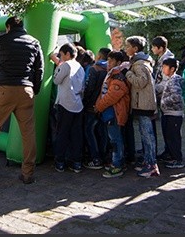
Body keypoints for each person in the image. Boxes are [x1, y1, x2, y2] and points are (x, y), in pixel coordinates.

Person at [0, 16, 44, 185]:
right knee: (28, 134)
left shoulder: (2, 40)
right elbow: (39, 69)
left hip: (4, 90)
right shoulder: (35, 42)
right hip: (26, 90)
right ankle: (28, 173)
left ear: (8, 27)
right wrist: (34, 90)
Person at [124, 35, 160, 178]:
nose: (126, 49)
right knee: (146, 135)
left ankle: (151, 165)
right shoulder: (139, 62)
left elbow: (140, 82)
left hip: (144, 105)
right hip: (143, 104)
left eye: (128, 46)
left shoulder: (139, 64)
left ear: (135, 48)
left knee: (147, 136)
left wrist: (128, 73)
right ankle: (148, 163)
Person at [94, 50, 132, 178]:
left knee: (115, 140)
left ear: (118, 63)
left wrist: (99, 106)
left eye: (111, 61)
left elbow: (112, 96)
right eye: (108, 60)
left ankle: (117, 165)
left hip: (114, 112)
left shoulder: (118, 77)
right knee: (114, 139)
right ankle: (118, 162)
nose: (108, 63)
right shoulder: (112, 74)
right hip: (109, 112)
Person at [50, 43, 86, 173]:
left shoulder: (65, 65)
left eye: (61, 54)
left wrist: (57, 65)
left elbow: (56, 80)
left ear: (67, 54)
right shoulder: (80, 67)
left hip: (65, 103)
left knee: (62, 133)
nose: (60, 56)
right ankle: (76, 162)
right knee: (76, 134)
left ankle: (60, 161)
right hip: (78, 104)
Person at [82, 47, 110, 169]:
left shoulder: (95, 69)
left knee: (89, 130)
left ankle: (95, 158)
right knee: (102, 131)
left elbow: (89, 88)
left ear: (99, 56)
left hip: (92, 105)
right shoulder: (110, 69)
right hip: (104, 104)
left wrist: (86, 101)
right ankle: (103, 156)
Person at [156, 57, 185, 169]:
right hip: (168, 113)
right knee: (169, 136)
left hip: (174, 114)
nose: (163, 69)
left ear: (172, 69)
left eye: (165, 67)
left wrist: (163, 101)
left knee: (174, 137)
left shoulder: (173, 80)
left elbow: (176, 97)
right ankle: (171, 156)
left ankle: (177, 159)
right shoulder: (170, 79)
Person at [151, 36, 174, 163]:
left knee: (169, 127)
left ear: (160, 48)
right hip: (163, 96)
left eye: (154, 47)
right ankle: (168, 151)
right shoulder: (161, 59)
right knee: (165, 126)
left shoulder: (167, 59)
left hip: (167, 97)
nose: (152, 49)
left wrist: (153, 89)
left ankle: (171, 153)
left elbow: (165, 81)